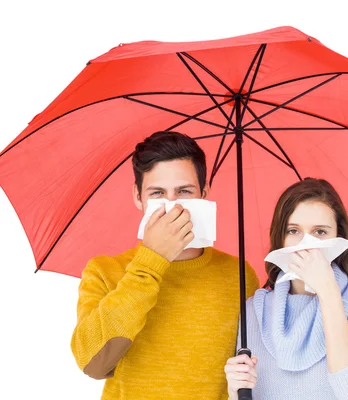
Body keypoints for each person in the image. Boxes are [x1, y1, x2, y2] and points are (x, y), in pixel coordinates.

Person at [71, 131, 259, 400]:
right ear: (138, 197)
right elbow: (92, 362)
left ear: (204, 194)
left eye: (184, 191)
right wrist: (151, 261)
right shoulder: (104, 271)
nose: (172, 206)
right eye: (158, 193)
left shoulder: (238, 275)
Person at [225, 178, 348, 399]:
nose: (306, 243)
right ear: (280, 239)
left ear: (339, 236)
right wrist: (233, 391)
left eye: (320, 232)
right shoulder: (252, 311)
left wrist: (327, 290)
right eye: (294, 231)